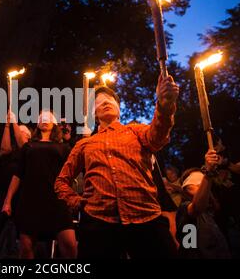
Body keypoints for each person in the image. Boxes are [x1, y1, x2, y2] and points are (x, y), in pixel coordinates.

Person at [55, 74, 179, 259]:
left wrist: (165, 104)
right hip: (98, 222)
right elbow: (61, 182)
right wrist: (78, 202)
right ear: (93, 113)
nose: (105, 102)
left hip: (145, 216)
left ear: (119, 108)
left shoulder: (136, 130)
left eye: (110, 99)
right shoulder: (84, 144)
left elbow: (158, 135)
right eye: (98, 101)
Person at [2, 110, 77, 259]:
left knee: (69, 244)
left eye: (48, 117)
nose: (44, 119)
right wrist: (7, 200)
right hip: (30, 200)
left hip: (57, 200)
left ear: (54, 123)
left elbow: (73, 171)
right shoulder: (28, 146)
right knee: (26, 247)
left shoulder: (64, 147)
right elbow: (18, 175)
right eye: (41, 117)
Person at [0, 111, 31, 258]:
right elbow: (4, 150)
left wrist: (15, 123)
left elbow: (23, 146)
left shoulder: (28, 151)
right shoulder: (10, 152)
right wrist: (6, 125)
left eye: (23, 133)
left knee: (17, 233)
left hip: (19, 196)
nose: (19, 134)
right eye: (18, 132)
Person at [176, 150, 231, 259]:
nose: (199, 186)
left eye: (202, 184)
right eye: (194, 183)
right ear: (186, 188)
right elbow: (197, 207)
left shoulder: (209, 213)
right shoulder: (185, 208)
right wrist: (209, 173)